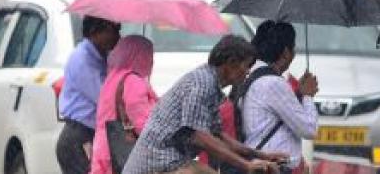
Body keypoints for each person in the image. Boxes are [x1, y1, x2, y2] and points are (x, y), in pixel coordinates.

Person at [121, 35, 286, 174]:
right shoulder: (202, 83)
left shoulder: (212, 86)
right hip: (156, 164)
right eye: (247, 65)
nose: (248, 71)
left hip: (173, 162)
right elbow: (200, 137)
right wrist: (246, 165)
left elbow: (218, 136)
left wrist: (260, 155)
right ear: (231, 62)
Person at [237, 22, 318, 171]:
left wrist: (299, 93)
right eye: (293, 49)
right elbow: (309, 130)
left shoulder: (251, 73)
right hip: (271, 168)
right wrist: (307, 96)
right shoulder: (273, 83)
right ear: (286, 53)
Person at [57, 16, 122, 174]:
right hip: (79, 138)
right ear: (95, 31)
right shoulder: (83, 59)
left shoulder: (101, 57)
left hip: (90, 134)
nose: (118, 37)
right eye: (112, 31)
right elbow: (105, 99)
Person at [90, 35, 157, 174]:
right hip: (122, 151)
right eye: (149, 54)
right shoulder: (134, 81)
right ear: (140, 56)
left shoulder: (114, 77)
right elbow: (142, 124)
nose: (152, 60)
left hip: (104, 147)